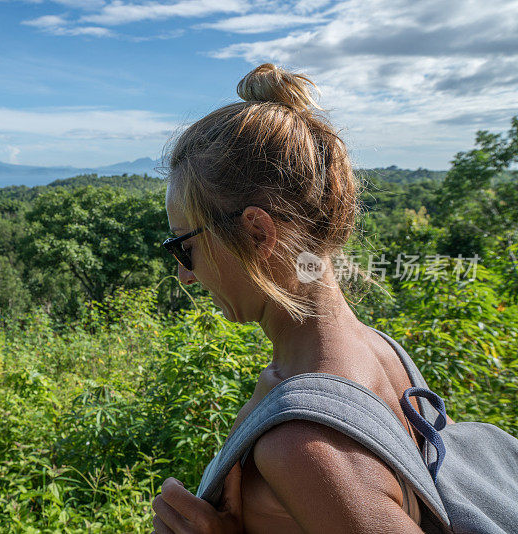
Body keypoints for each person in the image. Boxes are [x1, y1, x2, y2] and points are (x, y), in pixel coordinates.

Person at [151, 63, 453, 533]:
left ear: (256, 232)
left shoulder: (302, 444)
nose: (185, 275)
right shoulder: (379, 349)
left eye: (183, 246)